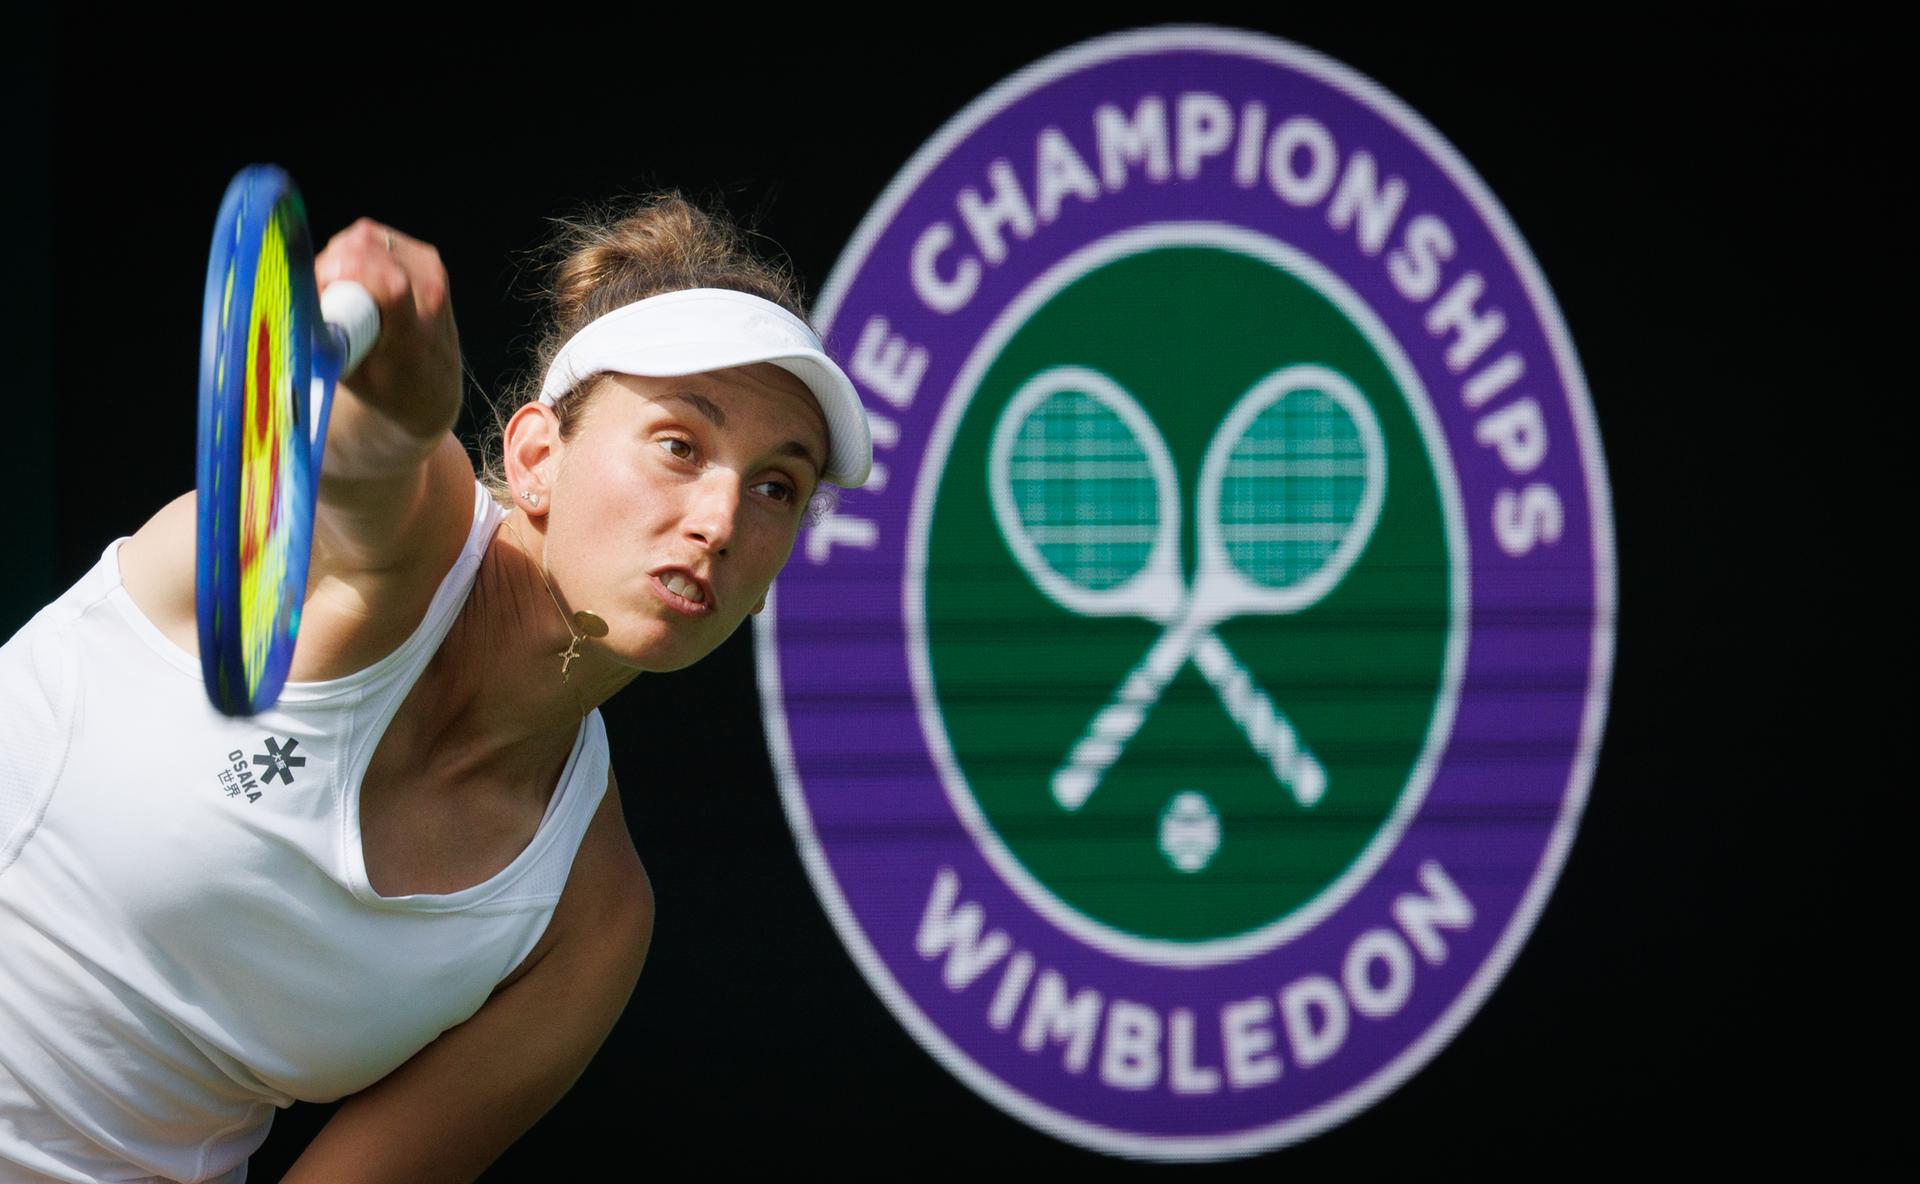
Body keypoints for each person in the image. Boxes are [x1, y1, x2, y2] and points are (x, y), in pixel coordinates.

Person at [0, 193, 871, 1182]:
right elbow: (367, 466)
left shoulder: (591, 920)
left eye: (777, 488)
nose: (721, 517)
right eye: (680, 444)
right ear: (536, 456)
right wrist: (405, 398)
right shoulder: (407, 541)